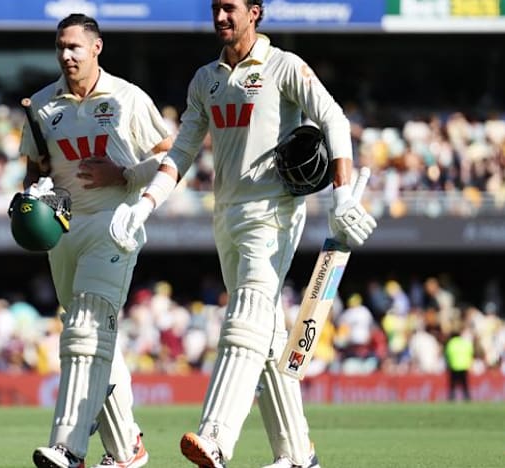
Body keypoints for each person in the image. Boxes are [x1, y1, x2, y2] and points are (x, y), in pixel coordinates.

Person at [109, 1, 376, 467]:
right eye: (215, 8)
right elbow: (183, 149)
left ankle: (215, 437)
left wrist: (342, 195)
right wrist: (146, 203)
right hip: (226, 214)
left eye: (230, 8)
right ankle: (298, 455)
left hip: (273, 211)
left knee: (247, 314)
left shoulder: (283, 66)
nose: (220, 17)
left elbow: (333, 118)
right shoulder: (205, 79)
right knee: (266, 334)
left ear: (254, 12)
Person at [21, 13, 173, 468]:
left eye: (75, 47)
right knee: (92, 335)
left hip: (114, 221)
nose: (66, 55)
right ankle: (128, 450)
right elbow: (34, 169)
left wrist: (124, 174)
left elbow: (172, 158)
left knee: (85, 330)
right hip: (63, 230)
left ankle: (68, 447)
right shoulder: (42, 104)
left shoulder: (127, 97)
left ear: (96, 48)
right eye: (60, 47)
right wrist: (32, 198)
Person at [444, 324, 474, 401]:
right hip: (464, 366)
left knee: (453, 384)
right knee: (464, 383)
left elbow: (447, 354)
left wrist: (449, 364)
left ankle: (452, 397)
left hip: (454, 366)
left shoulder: (451, 343)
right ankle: (467, 397)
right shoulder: (464, 342)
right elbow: (470, 352)